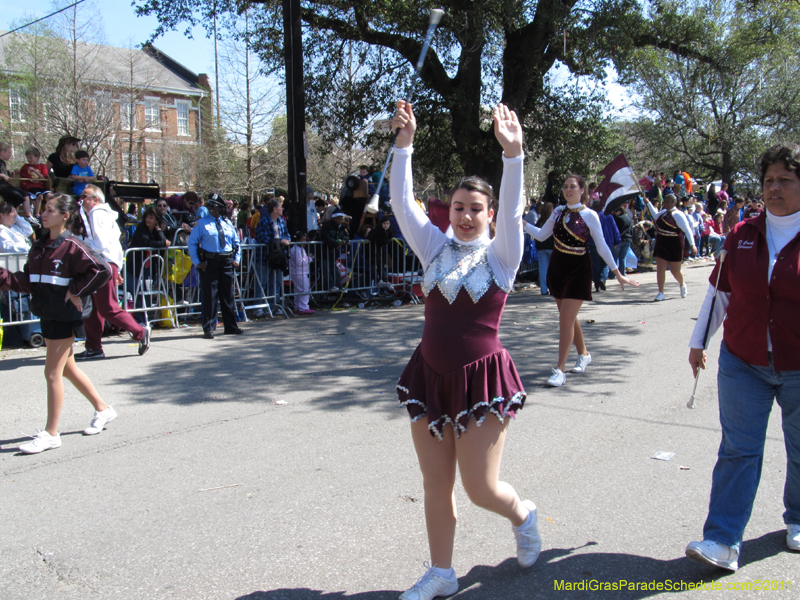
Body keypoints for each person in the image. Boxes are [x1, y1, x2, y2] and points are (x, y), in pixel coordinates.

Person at [391, 101, 540, 600]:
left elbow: (516, 212)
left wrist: (513, 156)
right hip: (430, 375)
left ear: (490, 214)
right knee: (436, 484)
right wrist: (403, 146)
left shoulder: (502, 255)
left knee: (480, 489)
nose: (467, 215)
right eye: (458, 207)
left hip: (482, 379)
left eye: (476, 209)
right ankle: (442, 572)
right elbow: (401, 204)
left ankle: (522, 513)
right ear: (448, 211)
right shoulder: (433, 246)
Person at [685, 145, 800, 571]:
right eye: (769, 180)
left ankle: (799, 518)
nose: (774, 187)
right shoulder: (742, 234)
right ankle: (722, 539)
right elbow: (720, 293)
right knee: (738, 450)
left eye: (785, 180)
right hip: (743, 360)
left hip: (798, 364)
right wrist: (699, 343)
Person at [0, 193, 116, 454]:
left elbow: (102, 269)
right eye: (44, 209)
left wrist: (76, 289)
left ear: (65, 216)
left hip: (65, 315)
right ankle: (103, 409)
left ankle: (51, 434)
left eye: (50, 210)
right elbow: (29, 282)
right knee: (67, 369)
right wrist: (4, 276)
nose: (43, 213)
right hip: (47, 312)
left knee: (51, 372)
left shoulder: (73, 246)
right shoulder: (40, 246)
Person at [525, 176, 639, 387]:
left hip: (579, 268)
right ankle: (584, 354)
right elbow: (541, 236)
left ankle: (559, 370)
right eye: (565, 187)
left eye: (572, 187)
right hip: (558, 268)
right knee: (568, 318)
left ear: (582, 190)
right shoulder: (558, 211)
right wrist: (523, 224)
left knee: (565, 320)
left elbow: (602, 245)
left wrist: (618, 273)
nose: (568, 190)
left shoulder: (590, 215)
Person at [77, 184, 150, 359]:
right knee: (94, 308)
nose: (81, 200)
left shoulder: (96, 214)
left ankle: (139, 331)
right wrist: (115, 266)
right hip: (106, 264)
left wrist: (82, 245)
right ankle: (94, 347)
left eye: (85, 196)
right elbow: (114, 244)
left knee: (107, 308)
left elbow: (100, 244)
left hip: (101, 264)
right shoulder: (105, 214)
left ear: (95, 199)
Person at [187, 194, 242, 338]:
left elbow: (236, 243)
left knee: (228, 296)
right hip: (210, 263)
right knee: (210, 296)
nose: (211, 209)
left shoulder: (227, 223)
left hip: (226, 262)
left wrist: (237, 258)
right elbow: (192, 243)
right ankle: (209, 327)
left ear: (221, 208)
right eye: (209, 206)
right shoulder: (202, 224)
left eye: (214, 206)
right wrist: (197, 262)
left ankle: (230, 326)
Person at [645, 193, 696, 301]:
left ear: (674, 202)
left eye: (669, 201)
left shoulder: (678, 214)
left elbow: (687, 230)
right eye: (665, 201)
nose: (666, 203)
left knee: (675, 271)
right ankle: (661, 292)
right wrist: (648, 203)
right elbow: (655, 215)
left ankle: (682, 284)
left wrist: (692, 245)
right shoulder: (663, 212)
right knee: (660, 269)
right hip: (661, 242)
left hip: (674, 243)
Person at [126, 206, 170, 325]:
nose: (148, 220)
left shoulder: (156, 230)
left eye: (151, 218)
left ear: (157, 220)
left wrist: (159, 230)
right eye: (147, 217)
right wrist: (162, 243)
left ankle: (147, 319)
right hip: (134, 267)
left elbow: (163, 241)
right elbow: (146, 242)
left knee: (147, 294)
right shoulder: (141, 228)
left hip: (147, 267)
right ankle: (140, 321)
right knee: (138, 294)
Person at [255, 196, 291, 315]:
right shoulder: (264, 221)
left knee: (275, 282)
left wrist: (286, 240)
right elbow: (262, 238)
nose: (282, 209)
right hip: (265, 257)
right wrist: (279, 241)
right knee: (262, 282)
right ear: (274, 209)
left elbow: (287, 234)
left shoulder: (282, 221)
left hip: (278, 257)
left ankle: (273, 306)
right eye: (281, 207)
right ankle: (258, 308)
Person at [0, 142, 31, 217]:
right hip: (2, 187)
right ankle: (11, 217)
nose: (11, 154)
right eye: (9, 152)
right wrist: (2, 175)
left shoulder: (3, 163)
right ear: (2, 152)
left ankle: (29, 216)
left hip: (7, 186)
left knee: (25, 194)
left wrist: (8, 171)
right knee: (17, 197)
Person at [19, 147, 50, 216]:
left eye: (30, 157)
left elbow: (43, 178)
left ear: (37, 157)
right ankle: (37, 214)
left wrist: (35, 171)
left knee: (50, 196)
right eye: (27, 158)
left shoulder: (42, 166)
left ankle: (49, 211)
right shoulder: (25, 166)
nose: (29, 160)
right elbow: (21, 173)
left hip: (40, 186)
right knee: (39, 196)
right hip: (30, 187)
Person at [289, 231, 314, 314]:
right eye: (303, 240)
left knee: (298, 290)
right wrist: (309, 259)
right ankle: (303, 307)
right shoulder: (296, 249)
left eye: (305, 240)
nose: (305, 242)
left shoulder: (299, 248)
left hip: (299, 272)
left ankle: (298, 307)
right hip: (300, 273)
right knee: (304, 290)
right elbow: (299, 262)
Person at [534, 202, 554, 294]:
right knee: (553, 268)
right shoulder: (553, 221)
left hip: (541, 247)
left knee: (543, 269)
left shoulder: (539, 221)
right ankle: (553, 287)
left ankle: (544, 289)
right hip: (552, 247)